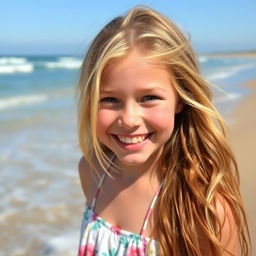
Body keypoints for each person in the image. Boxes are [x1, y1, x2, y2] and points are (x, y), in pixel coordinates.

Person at [76, 5, 250, 256]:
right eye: (109, 100)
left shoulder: (203, 209)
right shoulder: (91, 171)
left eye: (148, 97)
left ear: (181, 98)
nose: (129, 119)